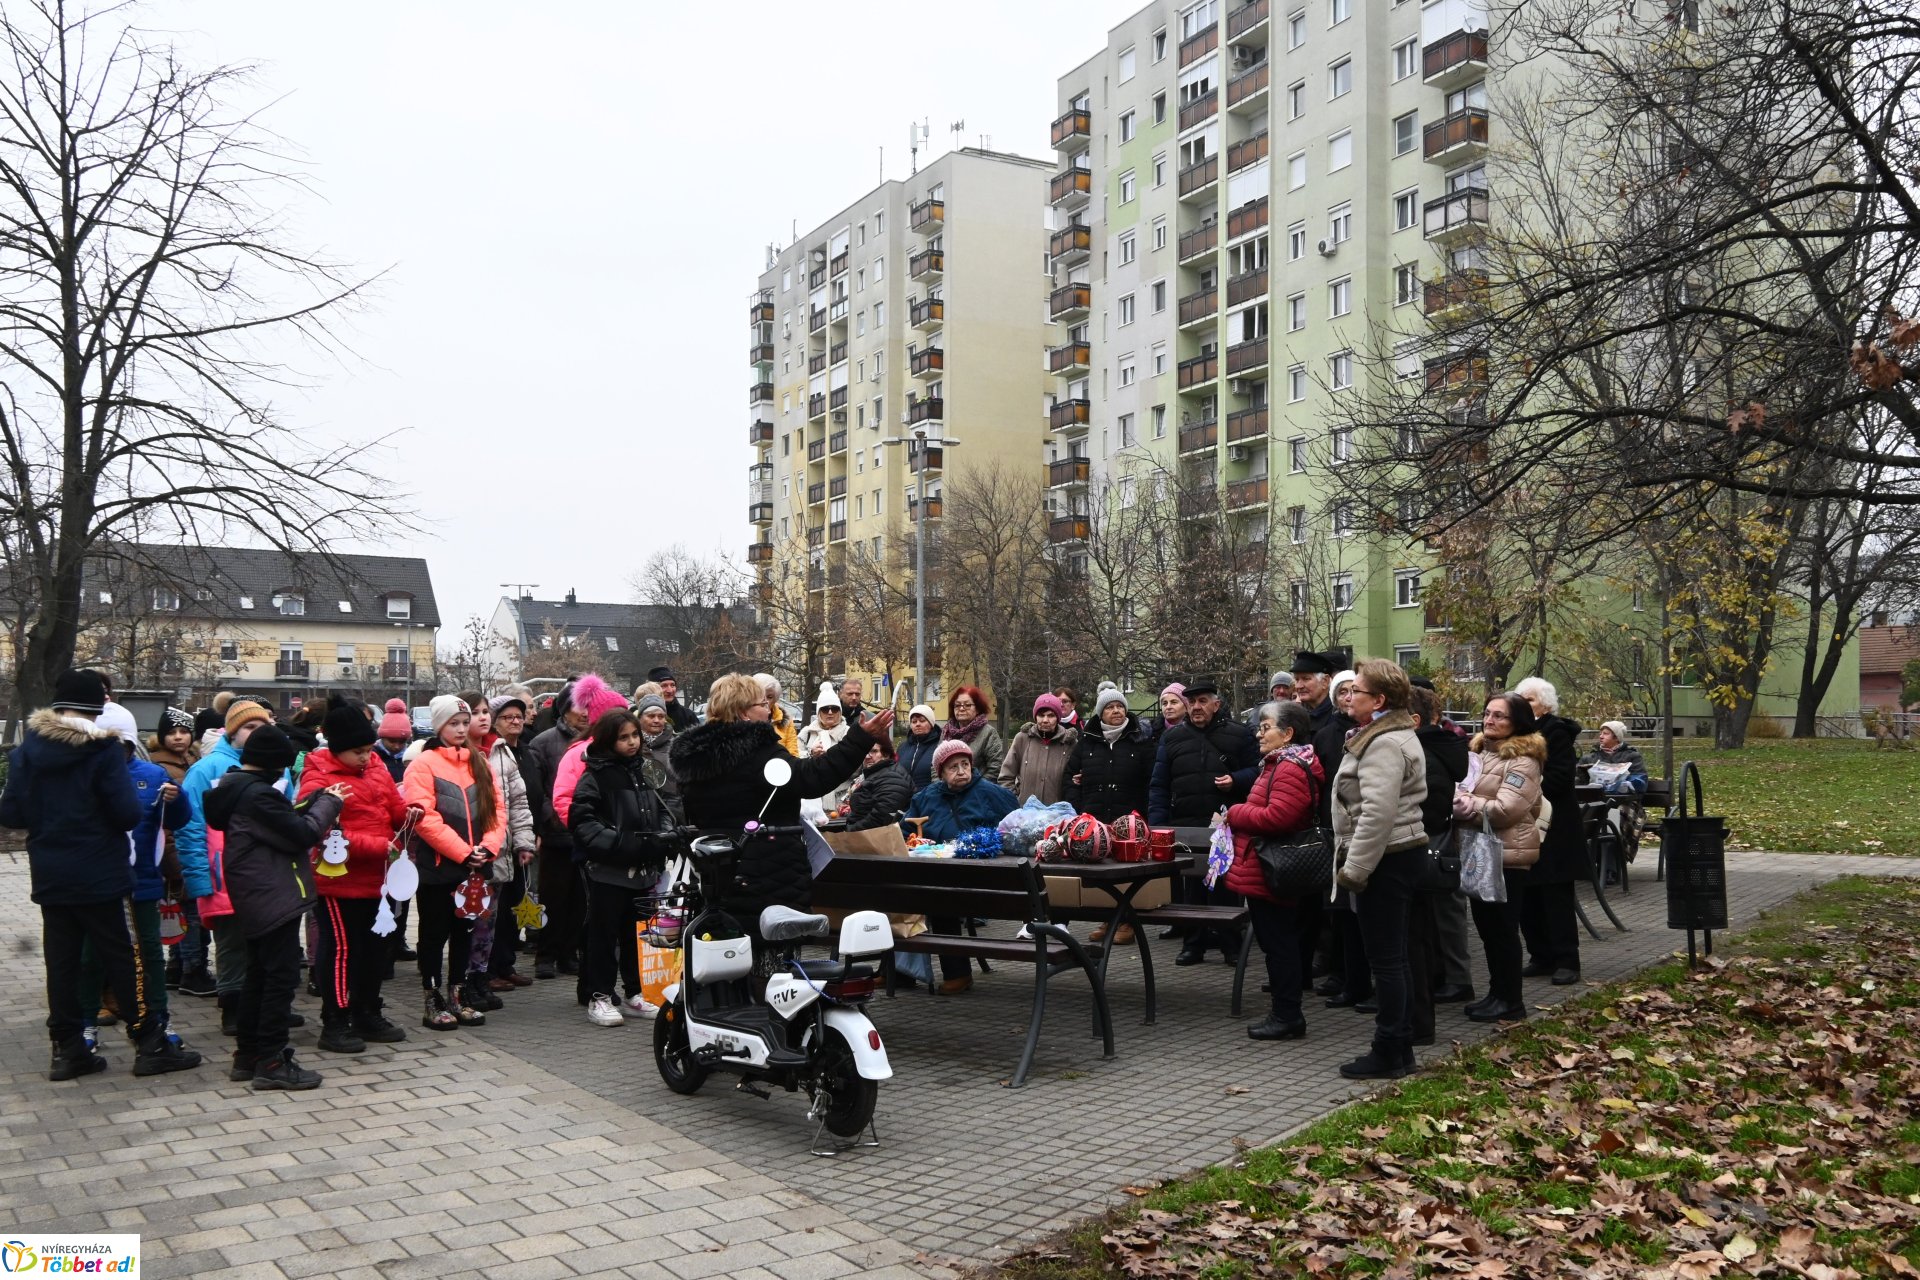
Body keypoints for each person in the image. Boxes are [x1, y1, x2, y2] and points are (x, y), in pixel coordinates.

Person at [0, 671, 201, 1081]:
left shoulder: (26, 752)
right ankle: (150, 1043)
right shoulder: (103, 750)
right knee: (126, 958)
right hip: (103, 873)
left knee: (63, 962)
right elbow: (127, 813)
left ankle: (68, 1050)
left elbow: (11, 814)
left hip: (51, 873)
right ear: (98, 708)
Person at [670, 674, 889, 951]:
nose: (770, 710)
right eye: (763, 704)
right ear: (743, 713)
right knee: (771, 958)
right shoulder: (756, 751)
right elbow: (810, 778)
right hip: (767, 869)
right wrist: (859, 739)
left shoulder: (695, 758)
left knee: (727, 951)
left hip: (717, 869)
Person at [205, 724, 347, 1090]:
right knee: (279, 980)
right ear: (272, 765)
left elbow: (285, 822)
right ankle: (271, 1060)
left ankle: (248, 1055)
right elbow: (301, 834)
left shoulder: (240, 791)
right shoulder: (257, 797)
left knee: (260, 975)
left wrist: (312, 801)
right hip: (271, 897)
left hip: (258, 896)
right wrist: (330, 802)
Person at [1329, 660, 1429, 1081]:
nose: (1349, 697)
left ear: (1380, 700)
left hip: (1386, 859)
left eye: (1358, 691)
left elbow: (1377, 814)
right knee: (1394, 957)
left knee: (1386, 960)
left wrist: (1355, 870)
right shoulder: (1385, 735)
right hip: (1395, 855)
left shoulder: (1384, 742)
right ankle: (1399, 1046)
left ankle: (1390, 1049)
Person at [295, 701, 412, 1053]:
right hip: (338, 882)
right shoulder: (318, 777)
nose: (366, 756)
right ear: (336, 748)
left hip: (378, 880)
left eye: (367, 749)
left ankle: (366, 1010)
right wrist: (378, 845)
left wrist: (411, 814)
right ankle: (336, 1019)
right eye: (357, 752)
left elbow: (393, 807)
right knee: (342, 951)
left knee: (376, 950)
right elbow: (322, 831)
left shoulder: (376, 767)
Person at [77, 704, 191, 1049]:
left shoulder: (152, 775)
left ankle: (158, 1018)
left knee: (150, 953)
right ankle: (86, 1024)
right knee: (92, 955)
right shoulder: (81, 775)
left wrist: (177, 799)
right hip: (96, 884)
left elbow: (178, 820)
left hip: (142, 881)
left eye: (120, 743)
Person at [179, 698, 284, 1038]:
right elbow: (190, 827)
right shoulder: (207, 769)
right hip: (222, 874)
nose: (255, 734)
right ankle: (232, 1007)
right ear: (233, 732)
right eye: (249, 728)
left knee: (268, 945)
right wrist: (199, 877)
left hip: (268, 875)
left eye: (262, 727)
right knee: (231, 944)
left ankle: (263, 1005)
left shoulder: (277, 770)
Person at [403, 696, 507, 1031]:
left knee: (466, 931)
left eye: (465, 722)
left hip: (475, 868)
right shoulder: (424, 764)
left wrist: (487, 849)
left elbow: (497, 811)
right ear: (439, 726)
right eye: (454, 723)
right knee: (434, 934)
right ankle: (433, 997)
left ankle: (458, 993)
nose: (462, 729)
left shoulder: (480, 762)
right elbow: (425, 818)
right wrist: (462, 852)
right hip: (438, 867)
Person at [1224, 700, 1323, 1041]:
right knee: (1276, 942)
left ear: (1289, 732)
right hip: (1264, 868)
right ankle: (1284, 1011)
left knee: (1280, 944)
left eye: (1266, 727)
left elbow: (1278, 818)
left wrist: (1235, 813)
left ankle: (1287, 1015)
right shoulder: (1278, 764)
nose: (1258, 733)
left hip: (1274, 868)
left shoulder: (1290, 768)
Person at [570, 709, 672, 1028]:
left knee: (636, 936)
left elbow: (665, 806)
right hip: (609, 870)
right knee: (604, 936)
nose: (631, 742)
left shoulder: (648, 769)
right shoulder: (596, 774)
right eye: (623, 737)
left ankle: (634, 992)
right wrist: (618, 844)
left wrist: (663, 837)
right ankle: (600, 995)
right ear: (609, 740)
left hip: (643, 869)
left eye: (634, 736)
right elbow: (582, 820)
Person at [1148, 680, 1261, 966]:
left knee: (1226, 888)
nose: (1196, 707)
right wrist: (1158, 826)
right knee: (1192, 889)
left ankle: (1231, 946)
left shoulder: (1239, 734)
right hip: (1186, 825)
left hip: (1225, 824)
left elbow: (1257, 772)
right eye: (1192, 702)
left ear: (1216, 704)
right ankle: (1192, 945)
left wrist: (1237, 780)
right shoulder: (1172, 738)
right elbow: (1159, 784)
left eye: (1202, 701)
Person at [1454, 692, 1545, 1024]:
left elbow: (1507, 809)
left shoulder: (1523, 760)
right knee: (1487, 928)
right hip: (1479, 851)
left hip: (1508, 855)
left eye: (1500, 716)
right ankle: (1496, 993)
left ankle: (1511, 1000)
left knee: (1502, 929)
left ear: (1517, 722)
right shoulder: (1478, 752)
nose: (1489, 721)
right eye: (1487, 714)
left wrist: (1469, 805)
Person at [901, 740, 1020, 994]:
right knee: (899, 894)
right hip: (931, 870)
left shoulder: (990, 793)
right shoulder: (926, 797)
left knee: (941, 898)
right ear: (941, 772)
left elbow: (1017, 826)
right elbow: (905, 830)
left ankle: (958, 973)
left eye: (965, 764)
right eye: (953, 767)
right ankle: (897, 972)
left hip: (979, 877)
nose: (961, 771)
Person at [529, 676, 625, 978]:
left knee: (579, 902)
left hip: (587, 836)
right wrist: (552, 820)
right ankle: (546, 953)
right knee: (553, 896)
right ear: (564, 709)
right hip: (558, 832)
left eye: (588, 707)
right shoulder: (545, 742)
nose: (584, 712)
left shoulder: (601, 744)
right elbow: (541, 790)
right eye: (578, 706)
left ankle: (568, 953)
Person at [1513, 677, 1586, 986]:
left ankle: (1567, 960)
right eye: (1520, 700)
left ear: (1545, 704)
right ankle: (1540, 956)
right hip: (1522, 827)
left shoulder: (1556, 734)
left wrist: (1520, 789)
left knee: (1555, 897)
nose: (1524, 705)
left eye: (1529, 700)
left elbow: (1559, 780)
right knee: (1526, 897)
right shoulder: (1515, 734)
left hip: (1554, 828)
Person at [1409, 686, 1475, 1014]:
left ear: (1415, 719)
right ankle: (1449, 976)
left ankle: (1457, 980)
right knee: (1442, 912)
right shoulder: (1439, 745)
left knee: (1446, 911)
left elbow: (1429, 801)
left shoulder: (1424, 751)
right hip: (1437, 836)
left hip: (1432, 838)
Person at [1313, 670, 1368, 1008]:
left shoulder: (1370, 735)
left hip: (1362, 829)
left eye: (1354, 690)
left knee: (1359, 911)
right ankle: (1343, 975)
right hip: (1333, 830)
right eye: (1343, 691)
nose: (1349, 697)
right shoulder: (1325, 736)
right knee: (1338, 911)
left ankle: (1361, 979)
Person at [483, 695, 544, 989]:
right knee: (495, 908)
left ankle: (505, 964)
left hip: (521, 839)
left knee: (513, 907)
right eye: (508, 717)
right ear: (494, 722)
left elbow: (534, 796)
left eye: (519, 716)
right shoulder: (493, 754)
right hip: (496, 843)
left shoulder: (527, 753)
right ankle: (489, 968)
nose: (516, 721)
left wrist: (532, 835)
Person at [149, 707, 209, 995]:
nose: (178, 737)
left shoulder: (193, 761)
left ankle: (175, 967)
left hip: (190, 845)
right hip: (173, 847)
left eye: (183, 731)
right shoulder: (159, 767)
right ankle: (192, 969)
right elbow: (164, 819)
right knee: (188, 911)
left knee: (180, 909)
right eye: (171, 732)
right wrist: (172, 857)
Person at [1065, 688, 1157, 822]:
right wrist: (1078, 810)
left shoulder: (1140, 741)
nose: (1116, 710)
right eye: (1109, 707)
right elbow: (1069, 778)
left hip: (1130, 824)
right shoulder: (1086, 742)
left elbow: (1151, 781)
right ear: (1101, 713)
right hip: (1091, 823)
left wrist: (1141, 814)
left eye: (1120, 706)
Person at [998, 693, 1081, 806]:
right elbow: (1006, 777)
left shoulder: (1069, 743)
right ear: (1035, 716)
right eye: (1041, 715)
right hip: (1024, 815)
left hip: (1057, 816)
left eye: (1051, 715)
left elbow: (1075, 781)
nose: (1045, 720)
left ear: (1058, 717)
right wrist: (1014, 802)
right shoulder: (1022, 739)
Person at [798, 683, 855, 812]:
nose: (830, 712)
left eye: (834, 709)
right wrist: (810, 755)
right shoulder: (807, 733)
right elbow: (795, 763)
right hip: (812, 803)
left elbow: (857, 767)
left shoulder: (849, 733)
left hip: (843, 801)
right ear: (818, 712)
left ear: (840, 712)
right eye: (825, 709)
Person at [846, 734, 912, 831]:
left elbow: (881, 817)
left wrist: (853, 830)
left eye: (874, 751)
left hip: (877, 839)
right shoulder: (878, 773)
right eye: (865, 751)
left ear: (886, 754)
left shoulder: (892, 776)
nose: (867, 756)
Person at [940, 686, 1005, 781]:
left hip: (977, 791)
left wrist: (975, 788)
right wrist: (940, 786)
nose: (961, 709)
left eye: (967, 705)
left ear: (978, 709)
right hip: (947, 791)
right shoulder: (946, 731)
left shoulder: (988, 733)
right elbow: (936, 764)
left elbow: (996, 767)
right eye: (957, 705)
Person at [754, 673, 801, 757]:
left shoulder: (785, 721)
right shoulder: (745, 719)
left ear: (775, 699)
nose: (765, 701)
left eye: (769, 697)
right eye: (761, 696)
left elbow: (793, 752)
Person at [898, 703, 942, 792]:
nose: (917, 724)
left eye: (922, 721)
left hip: (928, 799)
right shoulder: (902, 747)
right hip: (903, 800)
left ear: (931, 723)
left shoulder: (940, 745)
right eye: (914, 722)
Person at [648, 665, 699, 732]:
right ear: (653, 688)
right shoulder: (640, 714)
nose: (670, 690)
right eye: (664, 686)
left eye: (672, 685)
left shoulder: (688, 716)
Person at [373, 700, 413, 783]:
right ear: (382, 737)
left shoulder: (412, 757)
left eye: (402, 742)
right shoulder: (372, 756)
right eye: (392, 741)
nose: (396, 746)